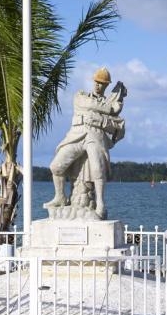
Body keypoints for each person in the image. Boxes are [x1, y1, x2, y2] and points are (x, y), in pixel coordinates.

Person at [44, 67, 126, 219]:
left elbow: (118, 124)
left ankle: (100, 203)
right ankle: (60, 196)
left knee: (98, 169)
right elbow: (99, 107)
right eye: (96, 82)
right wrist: (110, 108)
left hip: (94, 135)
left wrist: (112, 107)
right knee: (56, 166)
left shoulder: (106, 104)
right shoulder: (81, 96)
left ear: (106, 86)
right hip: (77, 134)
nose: (97, 85)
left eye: (102, 83)